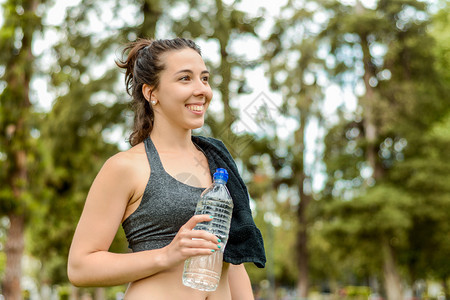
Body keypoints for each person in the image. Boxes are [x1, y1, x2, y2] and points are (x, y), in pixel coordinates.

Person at [67, 37, 266, 299]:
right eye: (185, 78)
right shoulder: (125, 167)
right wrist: (166, 255)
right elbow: (80, 267)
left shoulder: (218, 161)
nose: (202, 89)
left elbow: (230, 256)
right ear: (151, 93)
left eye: (204, 78)